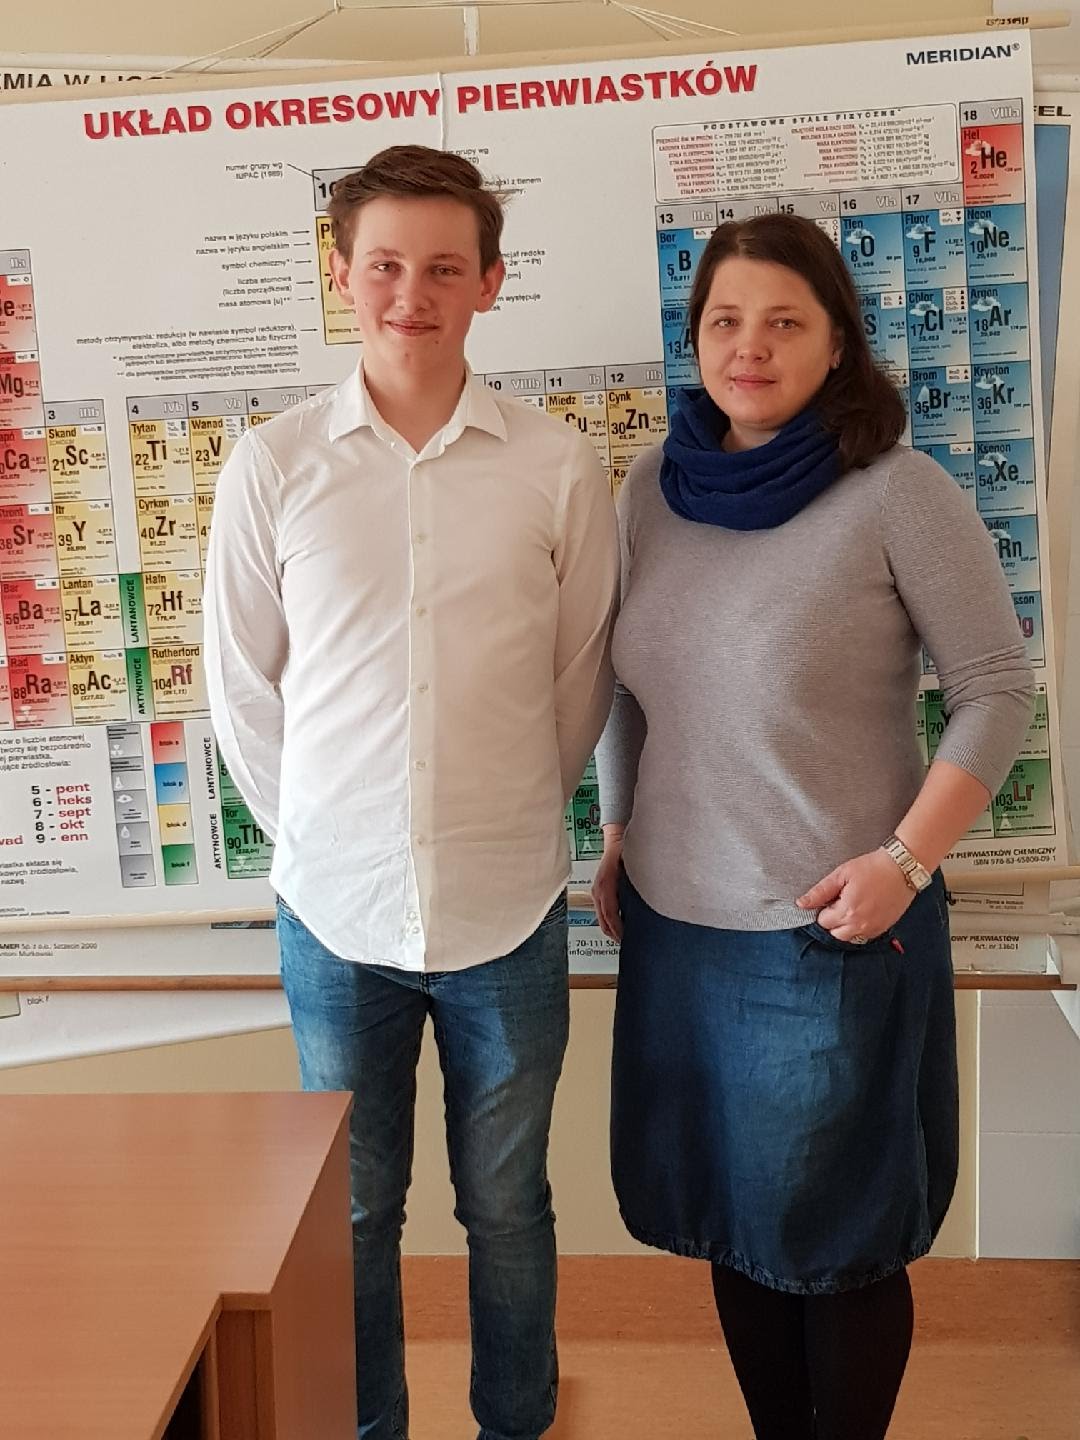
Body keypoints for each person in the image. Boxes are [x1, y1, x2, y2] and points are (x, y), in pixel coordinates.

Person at [591, 213, 1033, 1440]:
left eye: (785, 321)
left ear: (838, 342)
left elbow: (996, 690)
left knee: (836, 1240)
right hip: (679, 929)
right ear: (696, 339)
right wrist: (618, 828)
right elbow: (626, 687)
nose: (751, 346)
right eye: (726, 320)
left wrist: (906, 861)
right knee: (736, 1221)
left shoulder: (896, 491)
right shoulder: (652, 489)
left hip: (831, 929)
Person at [204, 144, 619, 1440]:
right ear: (340, 276)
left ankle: (515, 1424)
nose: (411, 294)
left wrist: (500, 816)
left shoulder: (556, 466)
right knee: (351, 1210)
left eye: (445, 268)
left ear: (490, 281)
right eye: (384, 265)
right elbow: (242, 693)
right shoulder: (273, 464)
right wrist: (326, 835)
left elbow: (579, 685)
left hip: (508, 906)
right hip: (334, 916)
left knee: (507, 1204)